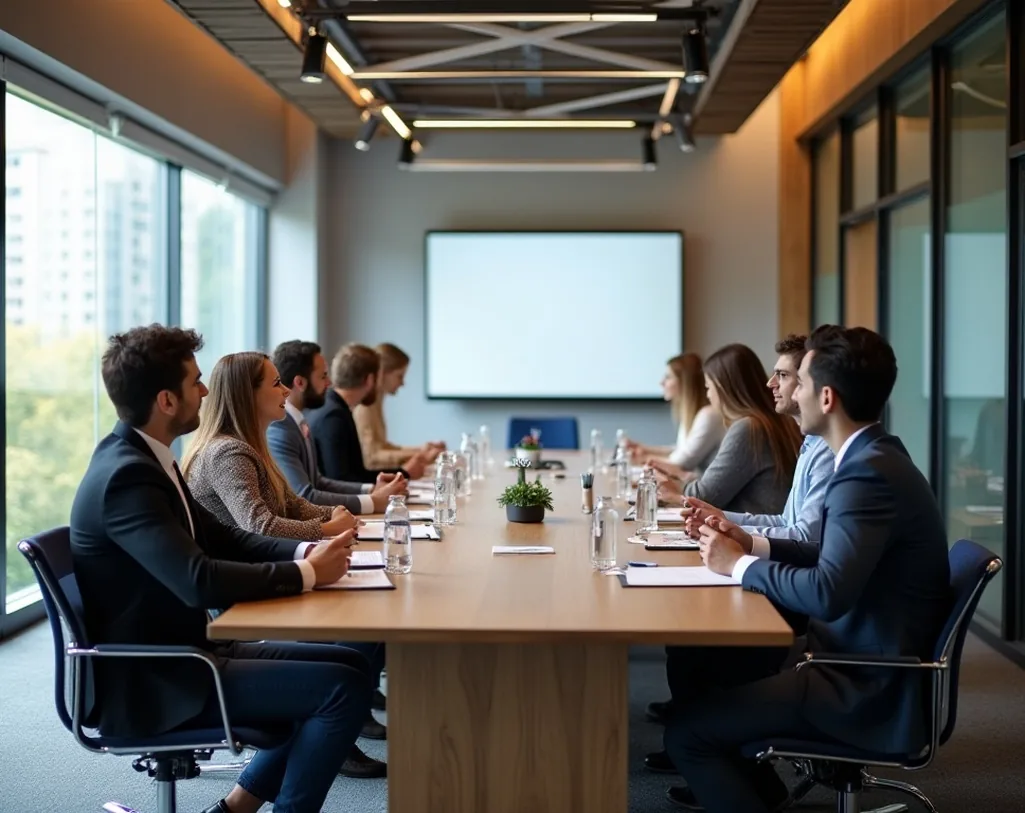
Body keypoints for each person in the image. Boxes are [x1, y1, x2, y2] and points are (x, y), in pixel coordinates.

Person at [70, 325, 372, 813]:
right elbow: (198, 580)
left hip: (189, 648)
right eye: (195, 382)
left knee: (352, 664)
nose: (206, 391)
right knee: (340, 689)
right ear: (167, 400)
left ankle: (234, 809)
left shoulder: (147, 458)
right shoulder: (127, 477)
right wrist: (309, 575)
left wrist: (305, 555)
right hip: (159, 678)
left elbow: (224, 536)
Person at [662, 326, 951, 813]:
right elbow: (823, 554)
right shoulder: (872, 457)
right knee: (709, 679)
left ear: (827, 396)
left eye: (799, 382)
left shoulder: (865, 475)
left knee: (687, 734)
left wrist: (741, 565)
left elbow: (826, 592)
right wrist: (745, 542)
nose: (788, 392)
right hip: (858, 659)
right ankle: (763, 790)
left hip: (863, 682)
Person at [182, 351, 389, 777]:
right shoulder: (227, 454)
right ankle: (336, 731)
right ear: (247, 395)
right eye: (275, 384)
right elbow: (259, 525)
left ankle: (337, 730)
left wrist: (329, 521)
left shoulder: (249, 445)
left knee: (365, 634)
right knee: (357, 636)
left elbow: (292, 504)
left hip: (264, 575)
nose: (285, 390)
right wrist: (325, 530)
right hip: (244, 595)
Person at [643, 334, 837, 769]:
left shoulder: (765, 430)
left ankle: (704, 750)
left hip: (787, 589)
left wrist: (741, 547)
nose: (775, 384)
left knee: (690, 642)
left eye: (786, 376)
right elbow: (790, 525)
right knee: (687, 643)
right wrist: (732, 524)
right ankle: (704, 746)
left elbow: (807, 540)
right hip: (777, 570)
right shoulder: (805, 441)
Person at [656, 343, 802, 516]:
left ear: (723, 388)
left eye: (709, 388)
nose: (708, 395)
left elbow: (706, 497)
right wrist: (684, 480)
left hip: (749, 534)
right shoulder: (772, 421)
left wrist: (674, 487)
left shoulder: (749, 428)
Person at [268, 340, 407, 513]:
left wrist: (370, 490)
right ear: (300, 383)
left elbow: (318, 481)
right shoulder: (280, 429)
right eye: (323, 376)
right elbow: (304, 496)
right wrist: (371, 502)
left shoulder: (298, 420)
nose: (329, 383)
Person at [308, 342, 429, 484]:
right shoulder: (334, 417)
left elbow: (355, 474)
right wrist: (404, 473)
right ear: (370, 379)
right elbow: (343, 480)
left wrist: (403, 473)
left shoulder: (336, 409)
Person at [627, 353, 724, 474]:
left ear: (684, 382)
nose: (661, 382)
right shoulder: (694, 415)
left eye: (668, 377)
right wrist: (644, 449)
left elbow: (682, 462)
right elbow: (680, 450)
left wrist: (643, 459)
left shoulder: (709, 416)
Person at [353, 342, 445, 469]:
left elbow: (382, 447)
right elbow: (372, 456)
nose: (402, 383)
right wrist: (420, 454)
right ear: (382, 373)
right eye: (399, 376)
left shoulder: (376, 401)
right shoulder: (364, 406)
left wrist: (421, 449)